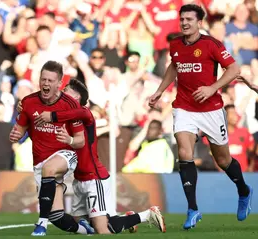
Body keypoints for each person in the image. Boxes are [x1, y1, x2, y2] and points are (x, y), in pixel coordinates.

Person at [148, 4, 253, 230]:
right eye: (182, 19)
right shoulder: (175, 43)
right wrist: (159, 91)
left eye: (189, 19)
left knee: (223, 160)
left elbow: (234, 69)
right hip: (184, 108)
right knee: (184, 152)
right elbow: (173, 67)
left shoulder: (211, 44)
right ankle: (193, 209)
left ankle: (244, 190)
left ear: (200, 23)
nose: (185, 23)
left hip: (212, 110)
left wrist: (212, 88)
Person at [32, 79, 166, 234]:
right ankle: (123, 219)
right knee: (82, 225)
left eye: (67, 89)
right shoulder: (66, 116)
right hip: (79, 180)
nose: (62, 91)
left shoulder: (84, 113)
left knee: (102, 230)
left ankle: (147, 215)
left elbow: (75, 124)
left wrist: (57, 123)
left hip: (94, 178)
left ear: (76, 97)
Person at [9, 61, 89, 236]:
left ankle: (41, 223)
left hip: (66, 154)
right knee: (57, 216)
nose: (45, 84)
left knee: (49, 168)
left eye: (50, 80)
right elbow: (21, 128)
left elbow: (80, 141)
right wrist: (16, 134)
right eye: (43, 79)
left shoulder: (70, 105)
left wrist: (68, 139)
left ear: (59, 83)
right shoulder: (28, 102)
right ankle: (86, 230)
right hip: (40, 159)